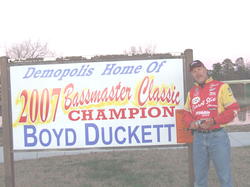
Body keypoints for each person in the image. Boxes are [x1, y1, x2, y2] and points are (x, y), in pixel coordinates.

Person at [183, 60, 240, 187]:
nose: (197, 73)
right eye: (194, 71)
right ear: (192, 74)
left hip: (217, 136)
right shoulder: (191, 92)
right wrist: (190, 123)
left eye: (199, 69)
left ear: (205, 70)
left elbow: (234, 110)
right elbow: (186, 113)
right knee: (199, 178)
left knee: (224, 177)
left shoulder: (222, 87)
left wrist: (214, 121)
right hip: (198, 137)